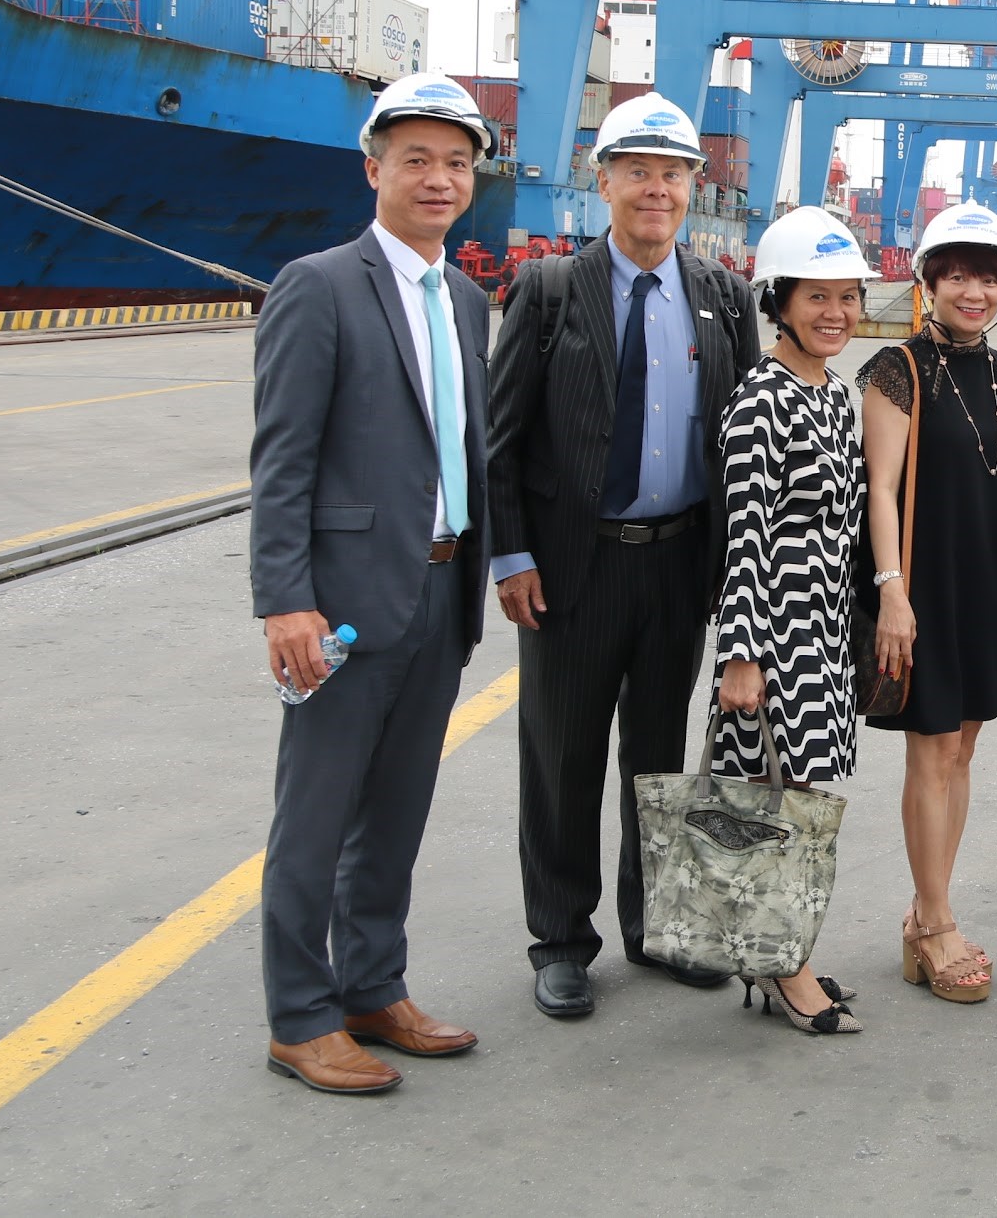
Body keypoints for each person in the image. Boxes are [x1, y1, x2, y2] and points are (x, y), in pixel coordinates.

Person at [486, 94, 764, 1019]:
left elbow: (744, 447)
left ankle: (654, 928)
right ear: (601, 181)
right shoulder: (551, 290)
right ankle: (562, 937)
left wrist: (740, 586)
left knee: (657, 758)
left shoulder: (724, 298)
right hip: (575, 567)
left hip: (678, 563)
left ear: (696, 186)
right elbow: (503, 439)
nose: (657, 188)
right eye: (637, 170)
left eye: (674, 172)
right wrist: (513, 554)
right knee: (561, 757)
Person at [251, 74, 498, 1094]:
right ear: (374, 170)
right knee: (316, 814)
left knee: (396, 808)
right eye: (417, 159)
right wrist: (284, 599)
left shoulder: (470, 297)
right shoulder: (319, 283)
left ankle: (371, 985)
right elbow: (282, 459)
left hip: (441, 590)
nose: (438, 178)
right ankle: (299, 1016)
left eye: (456, 161)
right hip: (343, 600)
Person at [860, 204, 997, 1004]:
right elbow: (881, 491)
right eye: (958, 275)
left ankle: (923, 914)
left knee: (963, 748)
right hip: (926, 585)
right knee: (930, 751)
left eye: (989, 277)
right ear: (928, 283)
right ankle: (935, 923)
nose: (975, 290)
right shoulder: (895, 368)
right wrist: (891, 591)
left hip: (995, 581)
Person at [708, 208, 875, 1033]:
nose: (835, 312)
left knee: (804, 801)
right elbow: (743, 535)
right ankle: (786, 968)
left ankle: (782, 951)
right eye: (817, 296)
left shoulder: (835, 395)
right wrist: (742, 655)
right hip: (774, 632)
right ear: (779, 300)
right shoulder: (760, 399)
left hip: (826, 628)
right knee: (778, 801)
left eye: (846, 296)